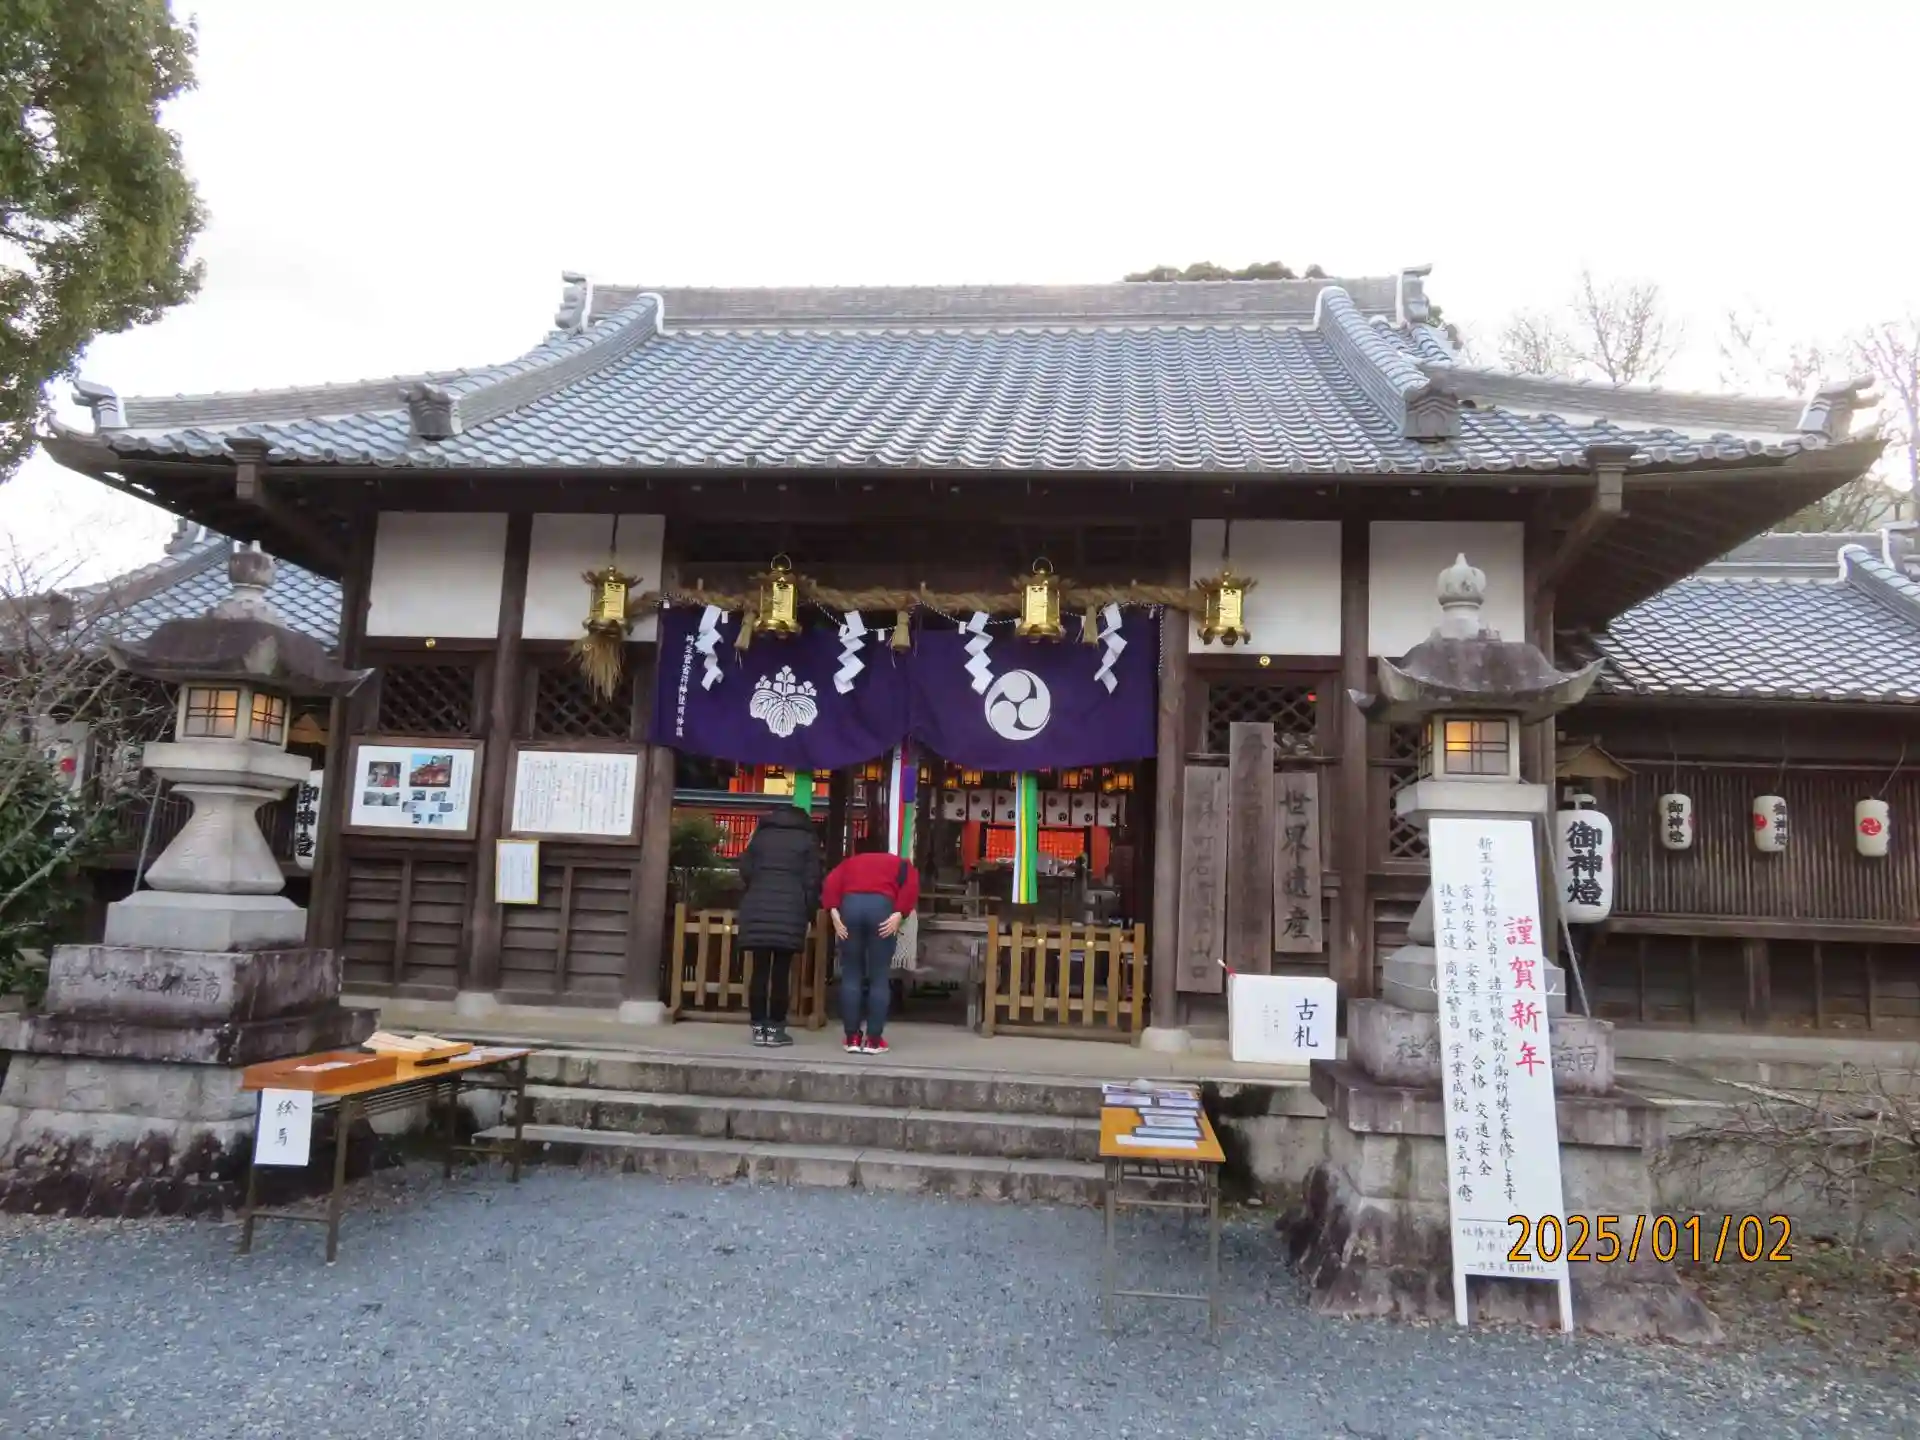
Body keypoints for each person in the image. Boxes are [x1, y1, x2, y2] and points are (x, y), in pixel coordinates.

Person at [822, 831, 920, 1054]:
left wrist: (835, 915)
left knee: (851, 973)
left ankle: (852, 1038)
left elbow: (830, 883)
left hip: (850, 909)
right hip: (882, 909)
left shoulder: (848, 863)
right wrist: (899, 913)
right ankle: (874, 1041)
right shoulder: (899, 863)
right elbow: (912, 885)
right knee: (879, 975)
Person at [734, 803, 822, 1047]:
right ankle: (775, 1029)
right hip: (790, 909)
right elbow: (812, 881)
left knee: (759, 970)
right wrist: (809, 913)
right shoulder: (807, 840)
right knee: (781, 973)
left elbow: (745, 870)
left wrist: (757, 888)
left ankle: (758, 1028)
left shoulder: (760, 837)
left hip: (758, 906)